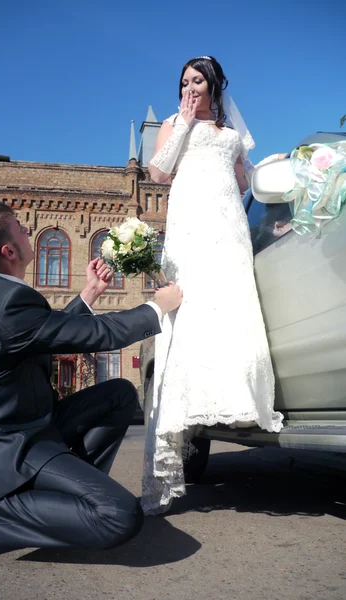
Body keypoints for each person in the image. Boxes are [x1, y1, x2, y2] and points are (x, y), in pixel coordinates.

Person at [0, 201, 182, 571]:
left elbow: (45, 333)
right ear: (9, 251)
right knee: (119, 516)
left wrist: (89, 294)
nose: (28, 230)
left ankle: (60, 496)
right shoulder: (6, 302)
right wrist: (157, 308)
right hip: (9, 442)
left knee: (119, 395)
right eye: (20, 228)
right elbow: (97, 333)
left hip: (33, 421)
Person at [142, 56, 284, 516]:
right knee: (192, 317)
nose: (189, 87)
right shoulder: (171, 123)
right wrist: (182, 123)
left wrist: (275, 181)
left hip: (230, 229)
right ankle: (172, 459)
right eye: (184, 82)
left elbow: (247, 181)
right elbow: (158, 175)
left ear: (215, 86)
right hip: (191, 229)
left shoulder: (232, 135)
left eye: (197, 81)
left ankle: (234, 402)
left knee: (233, 309)